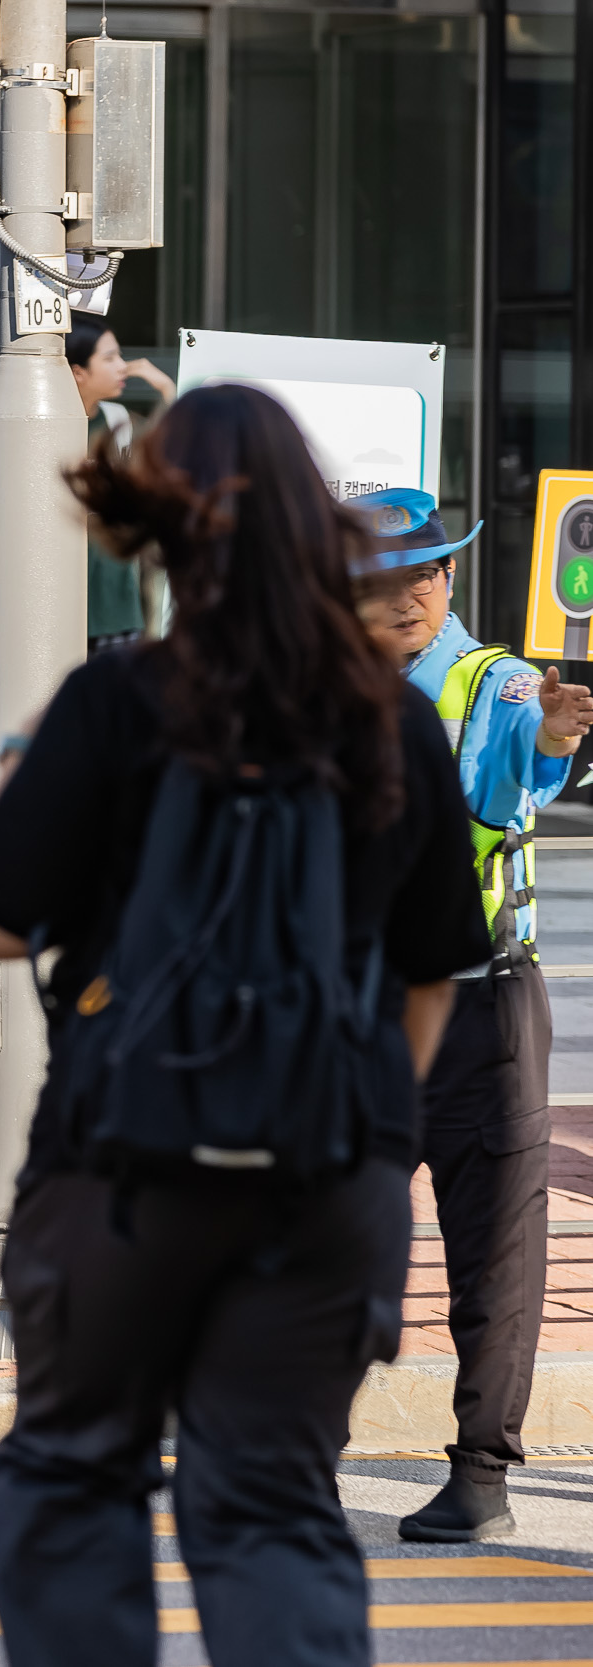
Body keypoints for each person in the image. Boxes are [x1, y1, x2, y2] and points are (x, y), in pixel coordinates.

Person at [0, 385, 489, 1666]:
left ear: (157, 528)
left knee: (75, 1480)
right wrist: (352, 1119)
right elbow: (434, 967)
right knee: (272, 1505)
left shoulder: (115, 702)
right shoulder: (394, 719)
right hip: (325, 1178)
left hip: (120, 1164)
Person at [346, 486, 593, 1541]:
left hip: (481, 1006)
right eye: (383, 575)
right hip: (356, 1008)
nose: (409, 591)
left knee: (493, 1251)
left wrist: (549, 732)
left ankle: (482, 1473)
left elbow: (519, 764)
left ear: (447, 576)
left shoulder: (489, 681)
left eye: (427, 570)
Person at [70, 319, 176, 657]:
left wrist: (168, 391)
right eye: (110, 358)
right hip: (55, 606)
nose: (123, 367)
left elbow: (170, 458)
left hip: (115, 608)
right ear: (78, 372)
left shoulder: (119, 422)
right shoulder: (44, 424)